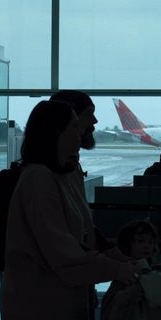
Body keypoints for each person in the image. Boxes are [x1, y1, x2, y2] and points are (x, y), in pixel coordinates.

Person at [0, 100, 140, 320]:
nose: (83, 130)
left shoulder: (63, 173)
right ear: (56, 132)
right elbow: (62, 250)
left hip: (65, 310)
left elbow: (80, 235)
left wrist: (116, 257)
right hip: (44, 317)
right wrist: (116, 270)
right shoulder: (39, 179)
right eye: (75, 126)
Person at [49, 90, 114, 252]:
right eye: (88, 114)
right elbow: (57, 246)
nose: (95, 121)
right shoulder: (43, 176)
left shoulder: (71, 168)